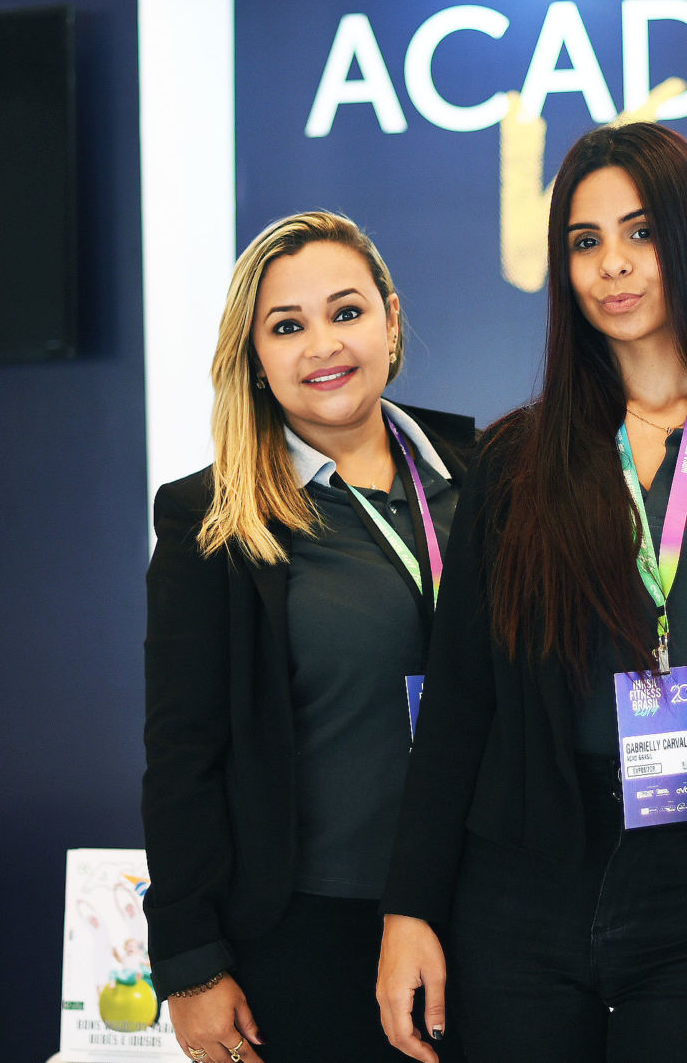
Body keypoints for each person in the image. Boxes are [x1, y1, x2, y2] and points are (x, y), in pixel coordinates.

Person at [375, 122, 687, 1063]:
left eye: (640, 232)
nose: (612, 264)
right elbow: (458, 702)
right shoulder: (514, 460)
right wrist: (409, 910)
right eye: (585, 240)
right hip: (520, 882)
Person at [141, 211, 474, 1063]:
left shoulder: (483, 474)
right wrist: (190, 965)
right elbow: (182, 755)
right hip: (309, 937)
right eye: (287, 327)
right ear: (254, 356)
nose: (322, 345)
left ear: (390, 320)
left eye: (346, 312)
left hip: (488, 913)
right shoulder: (210, 518)